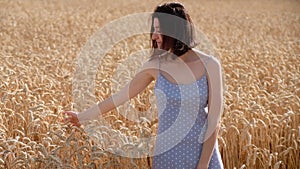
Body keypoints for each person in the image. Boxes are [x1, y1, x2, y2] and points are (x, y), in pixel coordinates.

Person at [64, 2, 224, 169]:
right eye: (153, 30)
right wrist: (81, 116)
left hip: (203, 154)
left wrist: (203, 165)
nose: (154, 36)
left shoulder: (210, 65)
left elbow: (214, 120)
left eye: (159, 30)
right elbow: (119, 97)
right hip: (167, 155)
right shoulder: (155, 65)